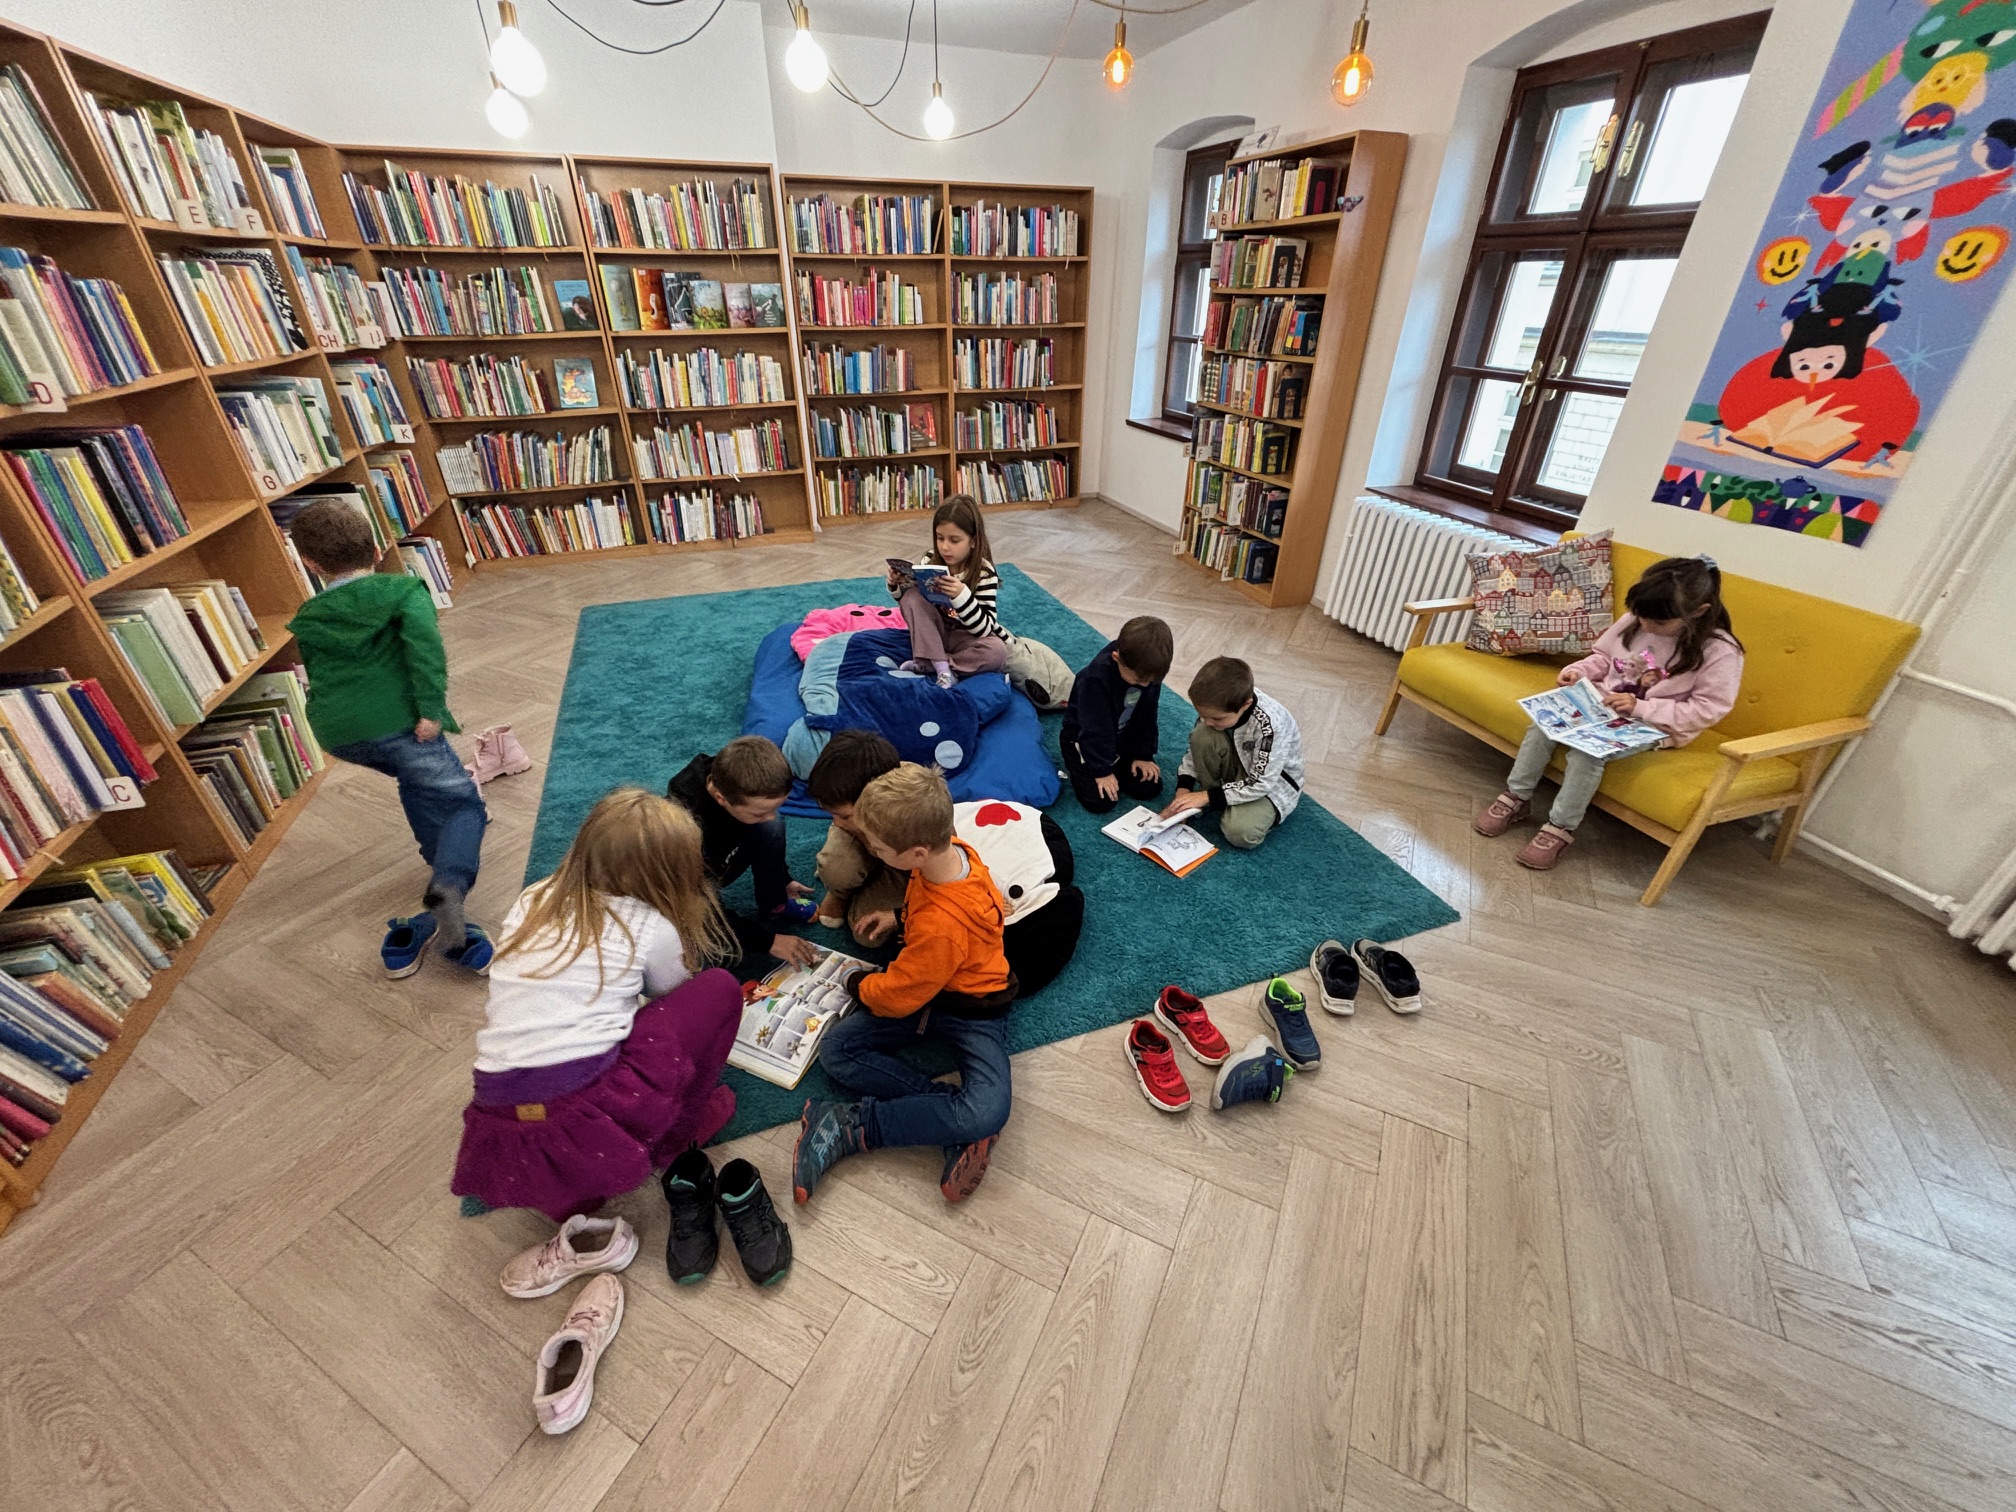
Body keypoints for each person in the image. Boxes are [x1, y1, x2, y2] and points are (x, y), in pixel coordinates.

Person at [450, 789, 763, 1250]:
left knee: (563, 1081)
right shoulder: (650, 925)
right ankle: (679, 1133)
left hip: (499, 1102)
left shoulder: (535, 896)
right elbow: (672, 994)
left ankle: (571, 1188)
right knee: (717, 989)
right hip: (587, 1099)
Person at [793, 763, 1016, 1206]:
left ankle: (856, 1126)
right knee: (836, 1049)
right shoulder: (954, 851)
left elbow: (896, 998)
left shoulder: (941, 928)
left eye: (877, 848)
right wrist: (899, 917)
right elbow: (930, 920)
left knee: (985, 1113)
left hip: (975, 1009)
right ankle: (946, 1121)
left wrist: (857, 982)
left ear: (915, 854)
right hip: (931, 986)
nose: (872, 852)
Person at [286, 499, 490, 976]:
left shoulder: (310, 613)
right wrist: (430, 711)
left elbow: (318, 673)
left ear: (311, 565)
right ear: (378, 550)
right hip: (399, 723)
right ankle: (449, 886)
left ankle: (437, 866)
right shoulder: (403, 591)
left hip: (338, 732)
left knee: (416, 781)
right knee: (465, 806)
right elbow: (425, 651)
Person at [1476, 555, 1745, 870]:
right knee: (1542, 726)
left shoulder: (1721, 651)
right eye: (1641, 618)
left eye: (1659, 624)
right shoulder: (1638, 618)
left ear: (1699, 611)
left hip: (1654, 724)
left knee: (1587, 752)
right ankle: (1516, 797)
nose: (1646, 626)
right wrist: (1579, 671)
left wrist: (1641, 706)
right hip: (1601, 703)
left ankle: (1559, 827)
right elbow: (1603, 658)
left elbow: (1708, 709)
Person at [806, 730, 1084, 993]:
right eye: (832, 814)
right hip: (887, 856)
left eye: (844, 816)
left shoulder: (918, 806)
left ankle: (868, 883)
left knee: (868, 933)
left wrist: (983, 898)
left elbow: (955, 856)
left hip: (905, 864)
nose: (836, 822)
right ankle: (841, 891)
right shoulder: (849, 823)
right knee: (838, 869)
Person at [666, 735, 819, 968]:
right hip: (684, 881)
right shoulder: (682, 832)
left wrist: (781, 878)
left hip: (722, 856)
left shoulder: (733, 778)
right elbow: (702, 910)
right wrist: (769, 941)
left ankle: (774, 901)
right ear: (721, 798)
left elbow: (765, 823)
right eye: (759, 812)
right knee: (705, 953)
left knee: (771, 826)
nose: (769, 816)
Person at [1160, 656, 1305, 851]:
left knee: (1240, 832)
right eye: (1203, 716)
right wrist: (1183, 790)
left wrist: (1207, 796)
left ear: (1245, 704)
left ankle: (1223, 800)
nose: (1208, 722)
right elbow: (1194, 750)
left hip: (1271, 785)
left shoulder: (1271, 725)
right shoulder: (1216, 706)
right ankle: (1218, 796)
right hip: (1238, 762)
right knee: (1201, 734)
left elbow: (1262, 782)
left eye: (1217, 719)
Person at [887, 494, 1007, 687]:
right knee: (911, 597)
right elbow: (915, 605)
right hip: (934, 633)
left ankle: (938, 665)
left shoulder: (984, 572)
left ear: (973, 541)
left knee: (997, 652)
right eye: (940, 538)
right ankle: (941, 667)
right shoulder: (930, 560)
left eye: (954, 540)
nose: (944, 547)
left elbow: (984, 629)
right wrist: (898, 584)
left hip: (965, 637)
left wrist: (962, 596)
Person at [1061, 615, 1173, 814]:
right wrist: (1102, 771)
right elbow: (1095, 729)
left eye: (1151, 682)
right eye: (1138, 681)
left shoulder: (1149, 673)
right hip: (1083, 740)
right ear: (1116, 658)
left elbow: (1148, 714)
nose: (1145, 685)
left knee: (1149, 787)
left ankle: (1117, 764)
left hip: (1121, 737)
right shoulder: (1095, 679)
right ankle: (1094, 766)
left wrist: (1143, 754)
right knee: (1100, 801)